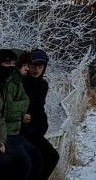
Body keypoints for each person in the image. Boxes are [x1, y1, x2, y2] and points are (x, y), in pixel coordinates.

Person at [0, 49, 38, 179]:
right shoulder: (3, 84)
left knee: (34, 158)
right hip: (5, 134)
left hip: (6, 134)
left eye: (13, 64)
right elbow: (8, 110)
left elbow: (3, 114)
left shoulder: (7, 83)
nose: (27, 69)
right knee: (21, 163)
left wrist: (2, 141)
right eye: (8, 63)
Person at [19, 50, 59, 180]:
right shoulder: (20, 83)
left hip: (35, 130)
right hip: (19, 130)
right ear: (28, 65)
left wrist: (41, 126)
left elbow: (39, 109)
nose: (36, 69)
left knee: (51, 157)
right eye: (33, 65)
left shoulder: (43, 85)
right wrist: (21, 115)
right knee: (33, 161)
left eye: (40, 66)